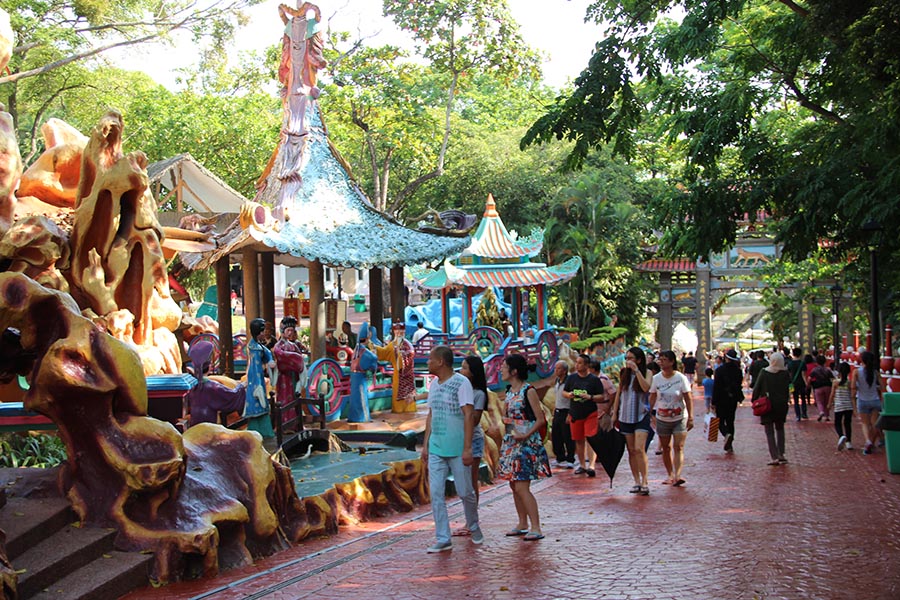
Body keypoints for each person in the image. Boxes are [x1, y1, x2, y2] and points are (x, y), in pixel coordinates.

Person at [421, 346, 482, 552]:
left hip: (457, 448)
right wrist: (426, 444)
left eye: (430, 359)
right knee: (436, 492)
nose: (428, 363)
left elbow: (468, 414)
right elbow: (431, 415)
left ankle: (473, 525)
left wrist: (467, 448)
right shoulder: (434, 386)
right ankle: (443, 537)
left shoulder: (461, 383)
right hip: (437, 448)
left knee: (465, 491)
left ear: (441, 362)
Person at [497, 353, 551, 541]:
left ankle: (536, 526)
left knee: (522, 486)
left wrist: (525, 434)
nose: (501, 370)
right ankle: (522, 522)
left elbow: (540, 419)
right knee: (514, 485)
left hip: (526, 445)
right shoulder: (509, 391)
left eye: (504, 367)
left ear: (514, 371)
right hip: (513, 442)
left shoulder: (529, 391)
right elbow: (509, 418)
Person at [452, 355, 488, 538]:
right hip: (459, 438)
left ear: (473, 373)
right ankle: (470, 519)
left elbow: (474, 420)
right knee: (464, 480)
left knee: (470, 480)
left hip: (472, 439)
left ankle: (471, 521)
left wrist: (464, 409)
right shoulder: (459, 389)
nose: (461, 370)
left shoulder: (478, 394)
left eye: (465, 368)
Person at [610, 347, 652, 495]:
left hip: (641, 415)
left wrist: (637, 371)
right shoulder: (623, 374)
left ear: (639, 360)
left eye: (631, 358)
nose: (628, 361)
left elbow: (646, 388)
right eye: (627, 358)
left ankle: (645, 481)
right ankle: (637, 481)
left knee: (640, 449)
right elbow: (618, 394)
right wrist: (614, 413)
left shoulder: (647, 372)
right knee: (632, 450)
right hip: (625, 416)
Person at [649, 350, 693, 486]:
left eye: (664, 360)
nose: (661, 362)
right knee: (666, 448)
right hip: (662, 418)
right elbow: (652, 396)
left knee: (678, 446)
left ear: (672, 362)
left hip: (679, 417)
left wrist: (691, 416)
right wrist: (649, 413)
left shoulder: (680, 378)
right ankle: (670, 474)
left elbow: (688, 397)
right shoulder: (656, 379)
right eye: (660, 360)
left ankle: (678, 475)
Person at [185, 340, 246, 428]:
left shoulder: (192, 385)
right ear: (210, 366)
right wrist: (241, 386)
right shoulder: (212, 387)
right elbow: (232, 395)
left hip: (194, 425)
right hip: (209, 427)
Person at [562, 354, 605, 476]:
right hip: (575, 413)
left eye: (580, 363)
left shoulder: (594, 380)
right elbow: (564, 392)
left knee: (590, 438)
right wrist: (569, 395)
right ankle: (582, 464)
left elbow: (601, 396)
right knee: (578, 440)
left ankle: (591, 465)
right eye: (576, 362)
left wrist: (590, 397)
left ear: (586, 365)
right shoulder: (571, 378)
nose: (577, 365)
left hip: (590, 413)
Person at [752, 351, 791, 465]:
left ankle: (774, 457)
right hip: (781, 405)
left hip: (767, 405)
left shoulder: (764, 372)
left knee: (769, 431)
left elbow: (757, 388)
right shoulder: (785, 373)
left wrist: (754, 400)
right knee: (780, 429)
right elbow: (788, 387)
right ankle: (781, 454)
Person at [373, 322, 417, 413]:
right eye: (397, 331)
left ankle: (408, 409)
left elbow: (410, 354)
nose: (399, 333)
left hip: (407, 374)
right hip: (397, 374)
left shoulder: (408, 344)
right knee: (397, 391)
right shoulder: (392, 344)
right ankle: (398, 409)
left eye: (401, 331)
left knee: (408, 392)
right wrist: (374, 347)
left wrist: (401, 354)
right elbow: (384, 352)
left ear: (404, 331)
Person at [272, 315, 307, 428]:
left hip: (294, 377)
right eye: (288, 330)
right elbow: (280, 356)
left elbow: (299, 357)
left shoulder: (293, 345)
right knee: (284, 399)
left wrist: (297, 359)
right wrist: (295, 358)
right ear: (282, 331)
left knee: (294, 398)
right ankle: (285, 424)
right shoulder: (278, 346)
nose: (290, 333)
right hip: (284, 377)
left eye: (292, 330)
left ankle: (295, 424)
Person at [245, 318, 276, 438]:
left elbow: (267, 353)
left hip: (258, 376)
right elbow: (265, 354)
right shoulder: (254, 347)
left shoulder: (258, 346)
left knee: (261, 400)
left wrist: (270, 360)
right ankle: (259, 430)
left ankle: (263, 430)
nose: (264, 333)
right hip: (255, 376)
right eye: (262, 331)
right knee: (258, 400)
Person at [850, 350, 884, 455]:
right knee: (875, 424)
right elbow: (882, 386)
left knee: (865, 424)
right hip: (875, 400)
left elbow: (853, 387)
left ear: (862, 360)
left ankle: (868, 441)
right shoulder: (875, 372)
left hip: (862, 400)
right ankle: (872, 443)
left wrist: (853, 403)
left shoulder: (856, 372)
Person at [712, 349, 743, 453]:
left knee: (720, 421)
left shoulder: (720, 370)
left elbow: (716, 387)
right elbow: (739, 385)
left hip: (721, 399)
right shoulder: (738, 371)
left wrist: (713, 402)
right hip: (732, 399)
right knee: (730, 421)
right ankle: (730, 445)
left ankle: (726, 435)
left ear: (726, 357)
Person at [347, 323, 378, 423]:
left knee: (354, 398)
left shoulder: (356, 349)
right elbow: (373, 360)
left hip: (354, 377)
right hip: (360, 378)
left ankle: (353, 417)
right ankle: (363, 418)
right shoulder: (365, 352)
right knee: (361, 397)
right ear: (367, 337)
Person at [549, 360, 575, 468]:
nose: (556, 371)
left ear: (564, 371)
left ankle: (570, 458)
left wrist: (571, 413)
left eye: (558, 368)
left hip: (566, 411)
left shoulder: (569, 381)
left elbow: (573, 398)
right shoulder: (557, 381)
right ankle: (560, 457)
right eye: (555, 368)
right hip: (558, 411)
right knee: (556, 435)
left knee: (567, 436)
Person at [828, 362, 854, 451]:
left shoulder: (835, 382)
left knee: (837, 423)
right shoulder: (849, 383)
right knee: (847, 424)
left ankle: (841, 436)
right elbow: (852, 396)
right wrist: (854, 408)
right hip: (848, 406)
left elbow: (832, 395)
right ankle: (849, 442)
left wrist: (829, 404)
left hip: (839, 406)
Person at [809, 354, 834, 421]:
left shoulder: (814, 370)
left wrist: (808, 385)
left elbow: (809, 378)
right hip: (827, 386)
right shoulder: (828, 369)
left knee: (819, 401)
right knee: (827, 401)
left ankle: (821, 411)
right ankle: (827, 416)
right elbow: (832, 378)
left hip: (818, 386)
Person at [787, 347, 809, 420]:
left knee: (795, 400)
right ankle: (804, 413)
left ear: (793, 354)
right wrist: (806, 383)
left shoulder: (790, 363)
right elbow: (803, 375)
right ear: (800, 354)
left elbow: (789, 374)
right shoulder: (802, 363)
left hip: (792, 383)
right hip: (801, 383)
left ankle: (798, 416)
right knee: (803, 398)